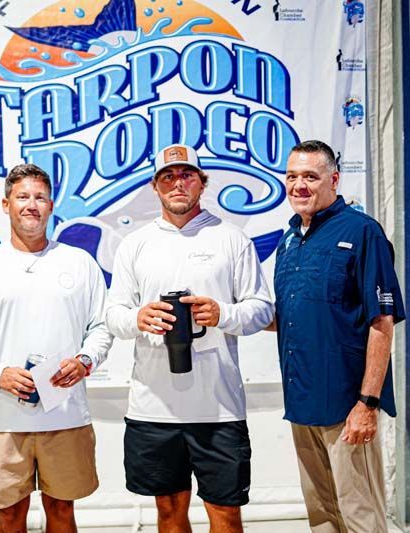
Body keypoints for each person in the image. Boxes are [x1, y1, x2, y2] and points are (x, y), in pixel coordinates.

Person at [105, 144, 274, 532]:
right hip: (153, 407)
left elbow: (263, 309)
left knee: (226, 514)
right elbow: (113, 316)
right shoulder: (135, 244)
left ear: (202, 182)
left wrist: (222, 313)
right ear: (155, 187)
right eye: (168, 177)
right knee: (168, 511)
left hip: (219, 408)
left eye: (186, 175)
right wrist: (138, 318)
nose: (177, 183)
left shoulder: (231, 239)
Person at [0, 163, 112, 533]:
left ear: (51, 206)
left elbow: (102, 327)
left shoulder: (79, 263)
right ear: (6, 205)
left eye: (40, 197)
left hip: (66, 415)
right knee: (9, 516)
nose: (31, 205)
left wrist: (85, 360)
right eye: (22, 197)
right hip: (1, 419)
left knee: (62, 512)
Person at [271, 140, 405, 532]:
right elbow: (290, 314)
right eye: (292, 176)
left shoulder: (363, 233)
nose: (299, 185)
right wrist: (227, 312)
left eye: (310, 177)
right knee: (322, 513)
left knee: (360, 514)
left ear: (333, 180)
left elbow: (382, 322)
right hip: (301, 402)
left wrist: (367, 403)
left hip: (346, 406)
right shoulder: (289, 241)